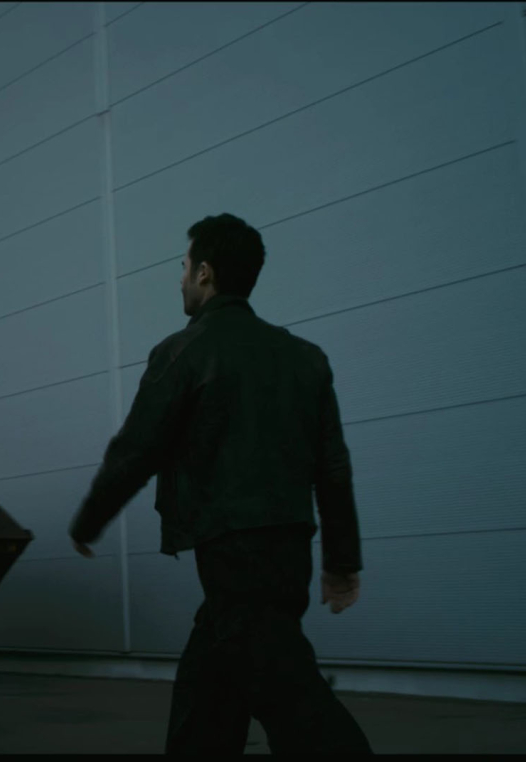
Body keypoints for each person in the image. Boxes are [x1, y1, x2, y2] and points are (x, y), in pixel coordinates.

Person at [67, 213, 372, 754]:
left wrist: (89, 521)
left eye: (184, 267)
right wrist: (341, 560)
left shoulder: (183, 351)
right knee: (208, 686)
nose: (180, 279)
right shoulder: (305, 358)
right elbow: (333, 467)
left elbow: (136, 450)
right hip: (289, 546)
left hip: (232, 548)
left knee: (289, 693)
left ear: (205, 273)